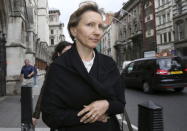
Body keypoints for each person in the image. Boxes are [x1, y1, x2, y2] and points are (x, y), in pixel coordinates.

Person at [41, 3, 125, 131]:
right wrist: (90, 115)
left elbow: (120, 103)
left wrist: (106, 104)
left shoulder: (109, 64)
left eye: (100, 26)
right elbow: (50, 116)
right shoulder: (58, 67)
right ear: (74, 30)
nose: (97, 32)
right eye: (90, 25)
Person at [32, 41, 72, 128]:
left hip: (73, 112)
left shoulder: (77, 67)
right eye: (66, 52)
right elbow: (44, 90)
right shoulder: (54, 68)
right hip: (58, 111)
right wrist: (36, 114)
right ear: (59, 54)